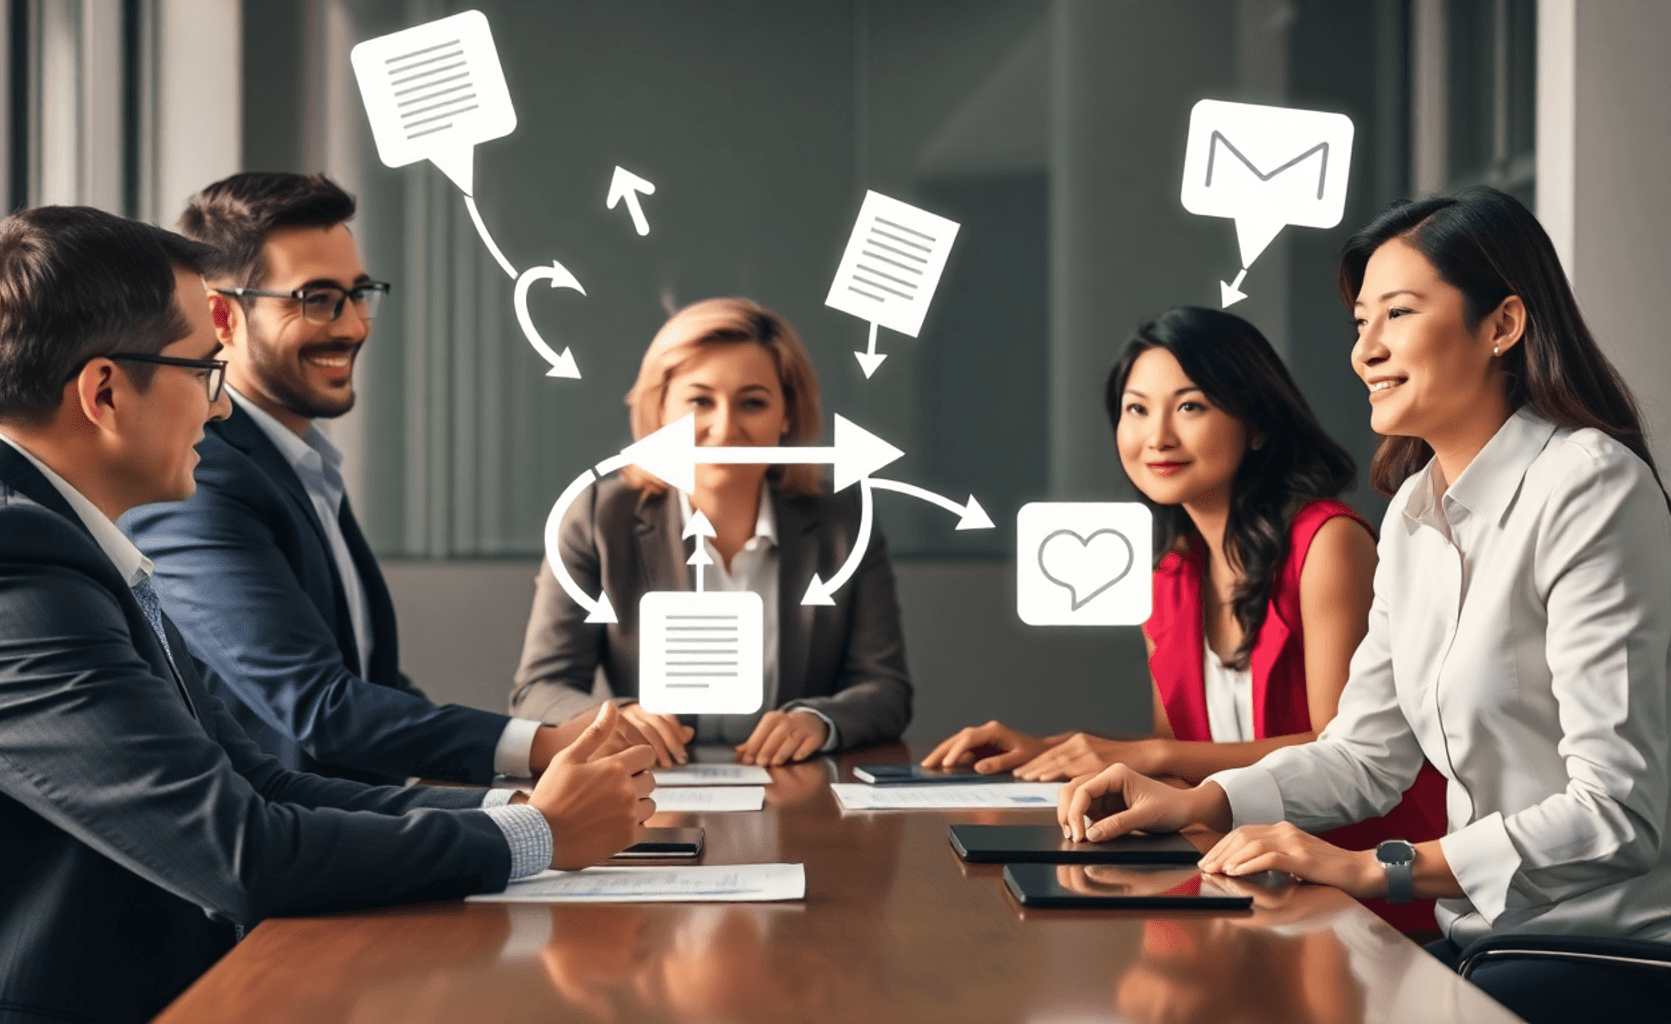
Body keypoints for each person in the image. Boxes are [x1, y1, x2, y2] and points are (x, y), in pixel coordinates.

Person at [0, 206, 655, 1024]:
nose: (220, 411)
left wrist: (533, 810)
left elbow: (260, 781)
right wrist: (535, 837)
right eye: (203, 374)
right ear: (104, 391)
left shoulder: (48, 534)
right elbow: (238, 849)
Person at [1059, 187, 1671, 1023]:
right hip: (1483, 936)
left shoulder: (1590, 486)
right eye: (1359, 324)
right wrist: (1200, 802)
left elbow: (1619, 813)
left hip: (1605, 948)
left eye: (1398, 315)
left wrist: (1376, 867)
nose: (1366, 350)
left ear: (1503, 325)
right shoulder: (1416, 509)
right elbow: (1364, 754)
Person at [925, 307, 1446, 931]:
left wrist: (1145, 752)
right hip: (1243, 885)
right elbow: (1178, 765)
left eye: (1190, 406)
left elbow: (1345, 749)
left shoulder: (1328, 542)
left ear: (1255, 423)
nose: (1158, 437)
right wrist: (1056, 752)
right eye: (1136, 409)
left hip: (1359, 892)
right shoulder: (1170, 577)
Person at [122, 172, 617, 786]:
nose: (355, 325)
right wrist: (541, 747)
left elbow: (372, 688)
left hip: (367, 842)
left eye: (360, 294)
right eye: (319, 298)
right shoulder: (200, 481)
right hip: (285, 857)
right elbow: (319, 706)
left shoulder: (300, 464)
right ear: (222, 315)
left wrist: (535, 755)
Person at [511, 298, 911, 766]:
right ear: (660, 410)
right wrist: (619, 716)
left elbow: (886, 689)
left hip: (796, 793)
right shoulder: (597, 516)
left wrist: (817, 721)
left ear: (786, 415)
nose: (724, 429)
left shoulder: (844, 524)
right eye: (700, 401)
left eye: (753, 403)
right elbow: (536, 691)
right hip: (650, 794)